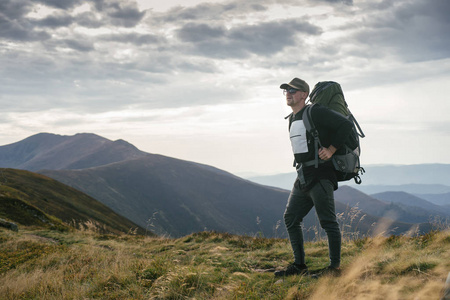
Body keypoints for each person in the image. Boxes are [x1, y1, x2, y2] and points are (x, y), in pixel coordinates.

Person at [274, 77, 353, 277]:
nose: (288, 93)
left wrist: (332, 149)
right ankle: (299, 266)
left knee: (328, 222)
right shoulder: (292, 118)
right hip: (303, 175)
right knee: (291, 218)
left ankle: (334, 269)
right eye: (286, 90)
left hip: (321, 174)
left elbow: (345, 125)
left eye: (293, 90)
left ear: (303, 94)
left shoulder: (315, 112)